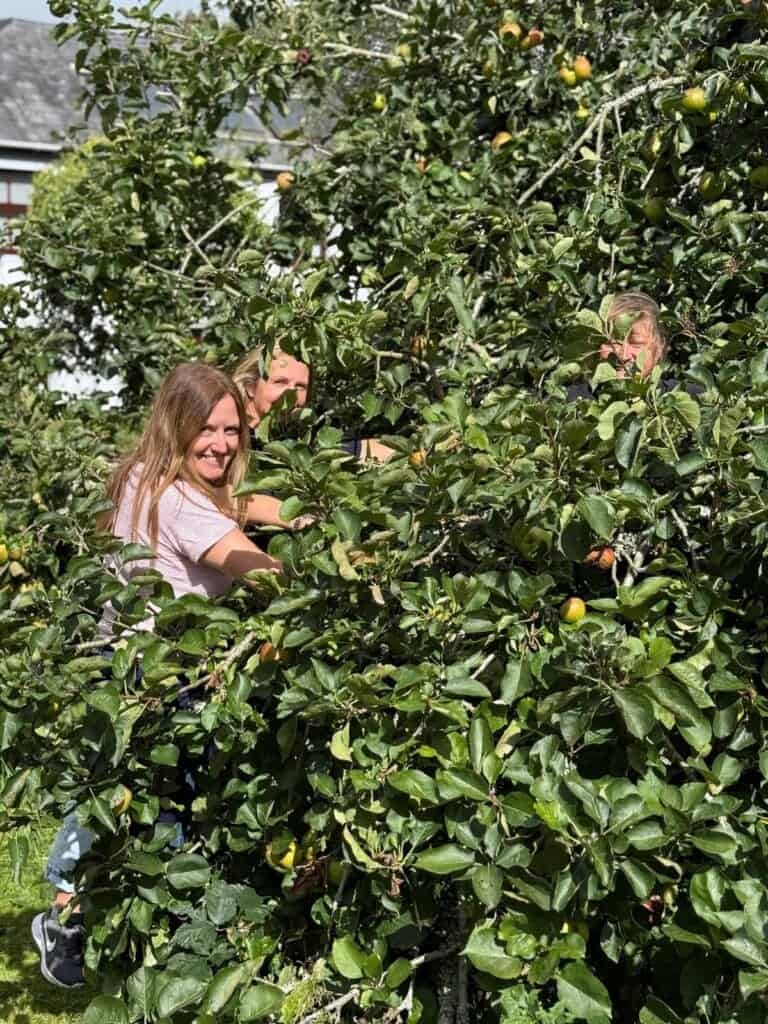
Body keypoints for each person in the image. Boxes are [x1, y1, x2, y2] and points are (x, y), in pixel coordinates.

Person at [32, 362, 283, 989]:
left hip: (125, 670)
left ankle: (91, 919)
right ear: (178, 426)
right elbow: (257, 569)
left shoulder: (147, 476)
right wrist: (342, 572)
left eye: (232, 431)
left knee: (118, 800)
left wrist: (300, 510)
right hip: (161, 677)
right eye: (208, 431)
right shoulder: (179, 501)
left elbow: (239, 505)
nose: (222, 445)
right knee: (154, 810)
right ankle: (73, 921)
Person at [232, 348, 394, 530]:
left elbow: (357, 450)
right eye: (280, 382)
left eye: (300, 386)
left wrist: (417, 452)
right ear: (250, 387)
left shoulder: (297, 438)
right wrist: (293, 517)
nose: (291, 394)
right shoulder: (229, 435)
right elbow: (216, 499)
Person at [566, 291, 704, 401]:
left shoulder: (690, 399)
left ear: (659, 347)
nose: (622, 355)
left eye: (637, 343)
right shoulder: (573, 405)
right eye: (612, 342)